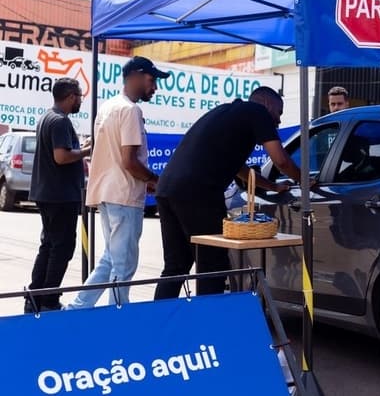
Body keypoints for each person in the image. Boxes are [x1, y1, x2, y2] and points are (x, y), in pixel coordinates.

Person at [153, 87, 304, 300]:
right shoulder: (257, 112)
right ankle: (209, 328)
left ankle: (159, 327)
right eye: (279, 114)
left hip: (167, 188)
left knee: (175, 266)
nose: (278, 122)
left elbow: (240, 169)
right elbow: (281, 160)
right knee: (213, 265)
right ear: (267, 104)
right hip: (198, 192)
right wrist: (304, 180)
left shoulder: (227, 113)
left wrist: (271, 186)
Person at [66, 57, 169, 309]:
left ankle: (76, 309)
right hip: (124, 195)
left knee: (110, 260)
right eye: (152, 80)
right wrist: (156, 180)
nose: (154, 87)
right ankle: (118, 319)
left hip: (108, 194)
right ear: (136, 75)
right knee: (124, 266)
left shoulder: (108, 106)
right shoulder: (130, 110)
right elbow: (129, 161)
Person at [25, 77, 91, 313]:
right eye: (80, 97)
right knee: (61, 248)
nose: (80, 101)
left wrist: (79, 147)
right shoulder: (60, 121)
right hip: (60, 195)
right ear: (71, 96)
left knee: (49, 245)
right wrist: (86, 150)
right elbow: (61, 157)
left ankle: (35, 296)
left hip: (47, 192)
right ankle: (49, 299)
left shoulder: (47, 117)